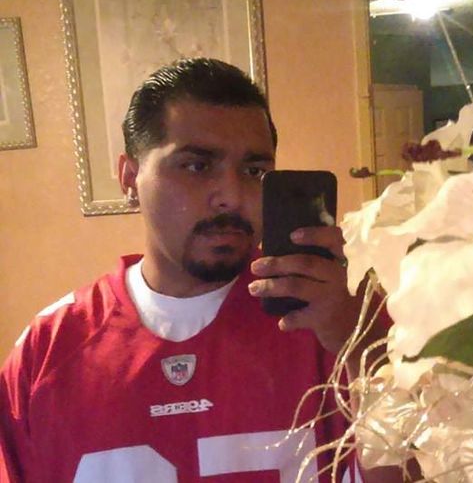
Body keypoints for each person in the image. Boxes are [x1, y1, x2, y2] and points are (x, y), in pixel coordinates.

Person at [0, 58, 407, 482]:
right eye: (197, 166)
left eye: (254, 171)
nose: (232, 195)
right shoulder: (50, 348)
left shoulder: (334, 318)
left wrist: (363, 350)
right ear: (129, 178)